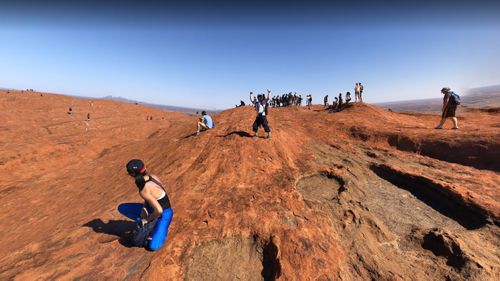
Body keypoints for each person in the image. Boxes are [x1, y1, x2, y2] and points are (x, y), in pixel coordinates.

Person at [122, 159, 173, 251]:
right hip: (153, 209)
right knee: (122, 208)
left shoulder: (143, 189)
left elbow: (159, 210)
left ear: (131, 174)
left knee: (153, 246)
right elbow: (153, 195)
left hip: (164, 214)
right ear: (145, 168)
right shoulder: (153, 177)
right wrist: (144, 208)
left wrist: (146, 219)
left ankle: (154, 226)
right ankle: (151, 224)